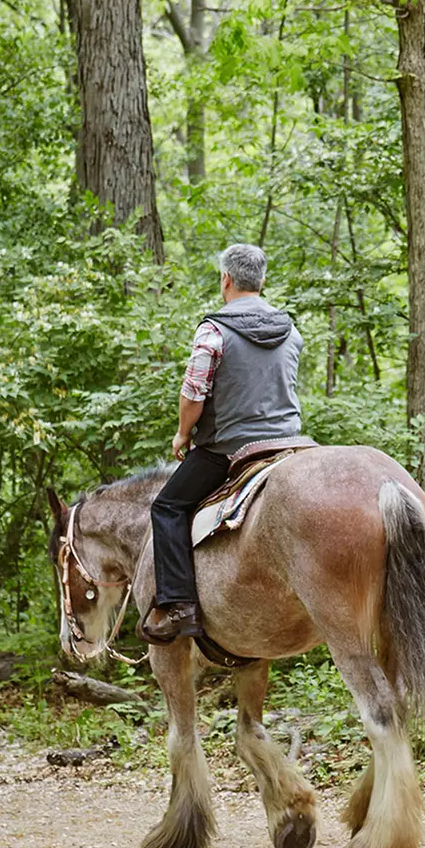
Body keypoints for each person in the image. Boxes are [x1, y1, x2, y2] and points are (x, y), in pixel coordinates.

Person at [138, 243, 303, 645]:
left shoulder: (213, 331)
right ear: (262, 281)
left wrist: (182, 434)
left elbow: (194, 393)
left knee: (168, 506)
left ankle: (180, 606)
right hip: (291, 444)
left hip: (230, 447)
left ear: (225, 280)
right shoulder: (291, 330)